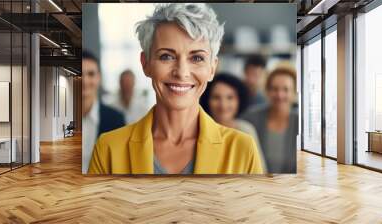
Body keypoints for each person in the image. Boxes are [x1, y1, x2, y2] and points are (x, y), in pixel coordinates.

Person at [88, 3, 265, 175]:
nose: (181, 73)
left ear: (212, 68)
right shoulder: (109, 148)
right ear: (145, 63)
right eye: (166, 56)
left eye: (196, 58)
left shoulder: (243, 149)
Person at [241, 66, 298, 173]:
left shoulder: (301, 123)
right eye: (274, 89)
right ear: (267, 91)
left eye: (286, 89)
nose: (280, 95)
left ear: (294, 93)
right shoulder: (250, 118)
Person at [82, 50, 126, 174]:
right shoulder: (62, 119)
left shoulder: (116, 119)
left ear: (99, 78)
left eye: (91, 74)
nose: (85, 81)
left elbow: (120, 164)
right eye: (80, 74)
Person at [199, 73, 262, 151]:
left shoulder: (246, 130)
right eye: (216, 97)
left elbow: (257, 163)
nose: (223, 105)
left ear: (239, 100)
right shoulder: (199, 129)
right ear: (207, 100)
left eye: (230, 98)